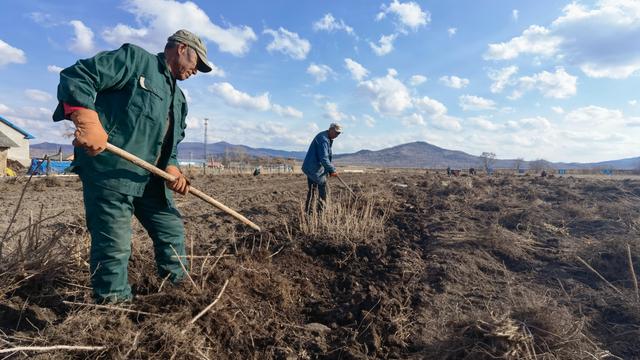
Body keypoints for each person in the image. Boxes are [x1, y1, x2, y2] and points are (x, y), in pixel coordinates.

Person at [52, 29, 213, 303]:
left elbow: (170, 146)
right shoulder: (136, 61)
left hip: (150, 178)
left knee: (171, 229)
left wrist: (172, 168)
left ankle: (179, 294)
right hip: (111, 172)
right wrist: (86, 118)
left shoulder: (179, 100)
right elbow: (77, 75)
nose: (197, 71)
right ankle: (113, 310)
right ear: (182, 48)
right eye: (197, 62)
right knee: (114, 246)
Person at [302, 123, 342, 214]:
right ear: (331, 129)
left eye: (339, 134)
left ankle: (309, 212)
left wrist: (329, 170)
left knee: (313, 190)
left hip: (313, 168)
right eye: (336, 133)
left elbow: (325, 158)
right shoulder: (323, 140)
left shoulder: (325, 137)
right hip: (313, 168)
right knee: (324, 190)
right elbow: (324, 158)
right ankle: (321, 213)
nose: (337, 135)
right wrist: (332, 170)